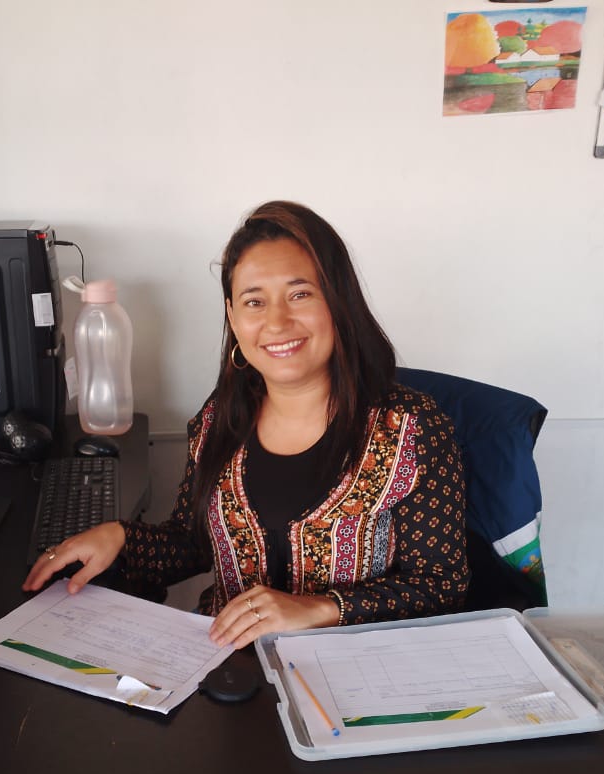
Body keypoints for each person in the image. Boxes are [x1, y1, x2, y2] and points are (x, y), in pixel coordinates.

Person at [24, 200, 468, 647]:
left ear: (339, 302)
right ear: (233, 317)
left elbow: (440, 584)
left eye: (300, 294)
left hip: (352, 668)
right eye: (254, 302)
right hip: (226, 661)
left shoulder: (409, 428)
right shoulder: (221, 418)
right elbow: (193, 543)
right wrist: (121, 537)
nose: (277, 322)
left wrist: (320, 608)